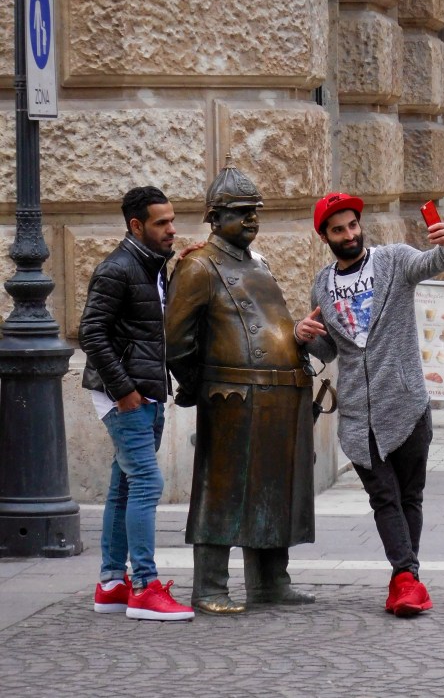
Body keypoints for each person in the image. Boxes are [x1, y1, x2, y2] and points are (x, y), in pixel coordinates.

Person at [296, 192, 444, 617]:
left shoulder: (393, 259)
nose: (349, 234)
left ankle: (403, 578)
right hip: (358, 414)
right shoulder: (322, 283)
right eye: (339, 229)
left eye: (353, 225)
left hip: (406, 403)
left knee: (410, 496)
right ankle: (407, 577)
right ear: (326, 236)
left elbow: (434, 263)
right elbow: (331, 350)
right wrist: (304, 335)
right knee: (384, 498)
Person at [164, 165, 315, 615]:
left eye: (255, 213)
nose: (251, 220)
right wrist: (201, 384)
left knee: (273, 488)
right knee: (222, 491)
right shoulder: (199, 265)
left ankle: (270, 581)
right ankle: (209, 585)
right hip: (232, 398)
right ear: (215, 216)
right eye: (241, 212)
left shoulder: (257, 263)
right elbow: (176, 340)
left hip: (279, 396)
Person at [79, 186, 194, 621]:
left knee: (125, 486)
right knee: (147, 483)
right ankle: (145, 587)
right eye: (161, 223)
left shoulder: (153, 266)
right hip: (126, 394)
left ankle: (111, 583)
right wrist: (124, 390)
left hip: (145, 389)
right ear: (136, 226)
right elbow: (91, 332)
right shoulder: (117, 269)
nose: (172, 229)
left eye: (172, 220)